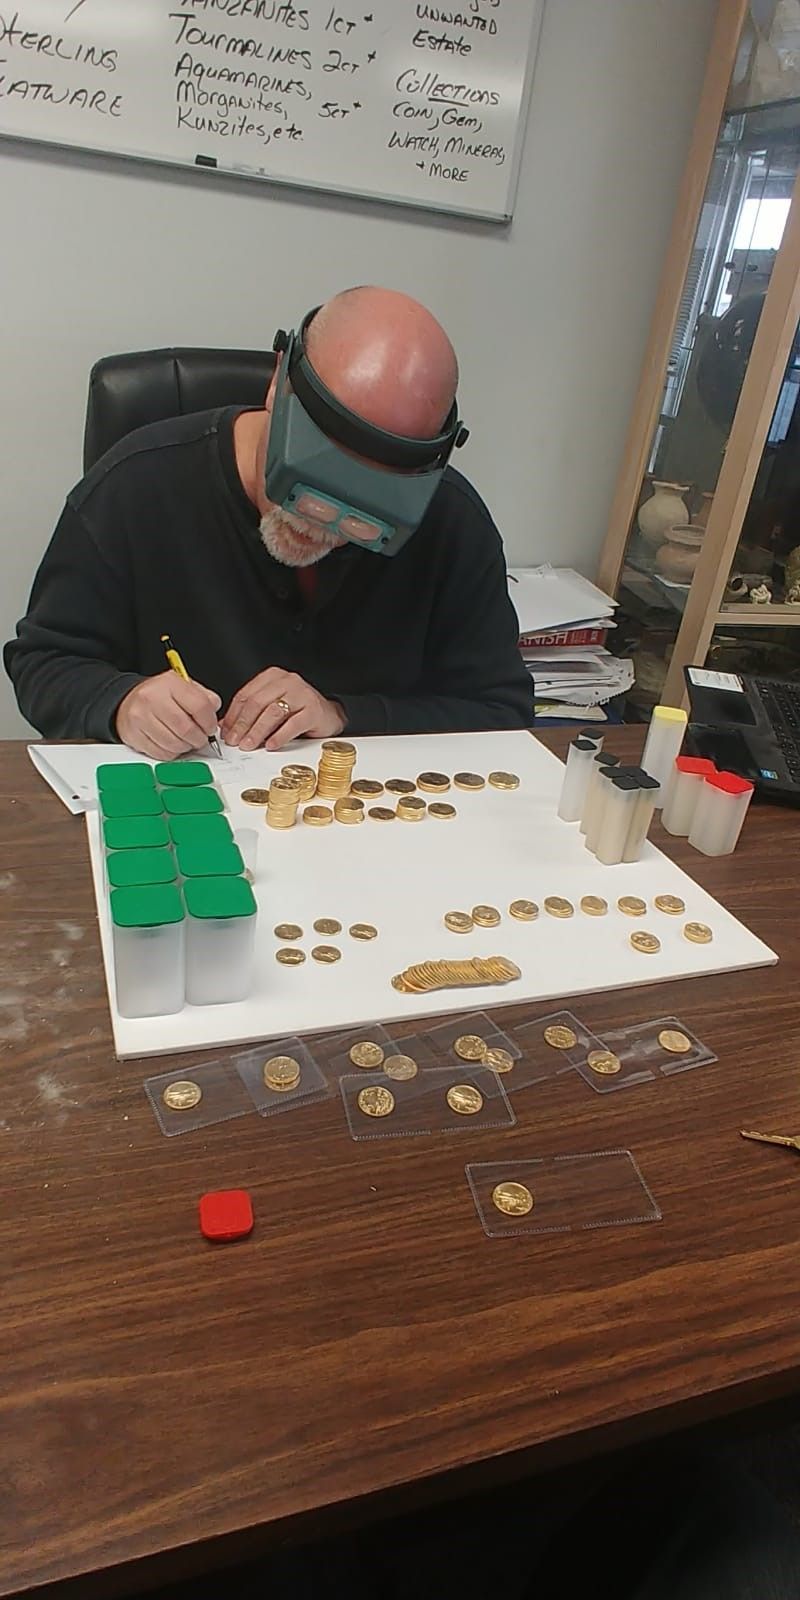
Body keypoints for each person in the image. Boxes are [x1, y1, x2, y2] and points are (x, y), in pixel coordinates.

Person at [4, 286, 533, 759]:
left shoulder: (450, 522)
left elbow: (500, 710)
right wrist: (120, 702)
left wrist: (345, 715)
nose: (322, 522)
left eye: (364, 509)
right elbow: (43, 662)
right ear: (279, 381)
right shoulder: (136, 485)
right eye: (315, 477)